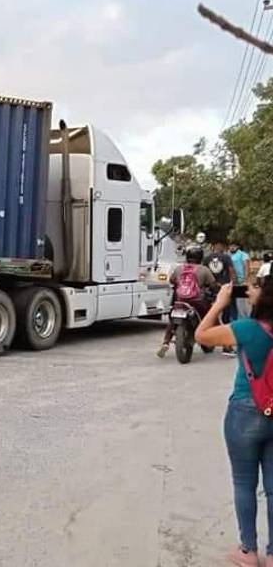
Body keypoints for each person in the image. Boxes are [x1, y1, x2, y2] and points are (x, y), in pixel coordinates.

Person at [195, 274, 273, 566]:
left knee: (244, 483)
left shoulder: (247, 329)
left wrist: (219, 304)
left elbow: (201, 335)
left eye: (255, 287)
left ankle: (248, 551)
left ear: (266, 296)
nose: (249, 291)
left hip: (244, 411)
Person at [157, 245, 218, 358]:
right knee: (210, 315)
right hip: (197, 301)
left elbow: (172, 280)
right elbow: (213, 285)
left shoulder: (179, 268)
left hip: (180, 299)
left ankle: (166, 342)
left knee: (173, 320)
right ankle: (224, 344)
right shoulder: (204, 270)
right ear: (200, 257)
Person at [204, 241, 238, 354]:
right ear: (221, 246)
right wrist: (234, 285)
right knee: (227, 317)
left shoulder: (206, 258)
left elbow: (204, 272)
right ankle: (227, 346)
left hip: (210, 290)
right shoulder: (226, 257)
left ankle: (209, 340)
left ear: (213, 246)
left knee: (211, 315)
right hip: (224, 289)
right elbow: (232, 272)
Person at [232, 242, 253, 318]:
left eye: (234, 246)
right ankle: (241, 318)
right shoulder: (232, 255)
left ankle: (246, 318)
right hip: (235, 282)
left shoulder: (243, 254)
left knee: (244, 303)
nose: (232, 247)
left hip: (242, 281)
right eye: (231, 246)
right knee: (238, 302)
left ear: (238, 246)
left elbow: (247, 267)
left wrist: (245, 280)